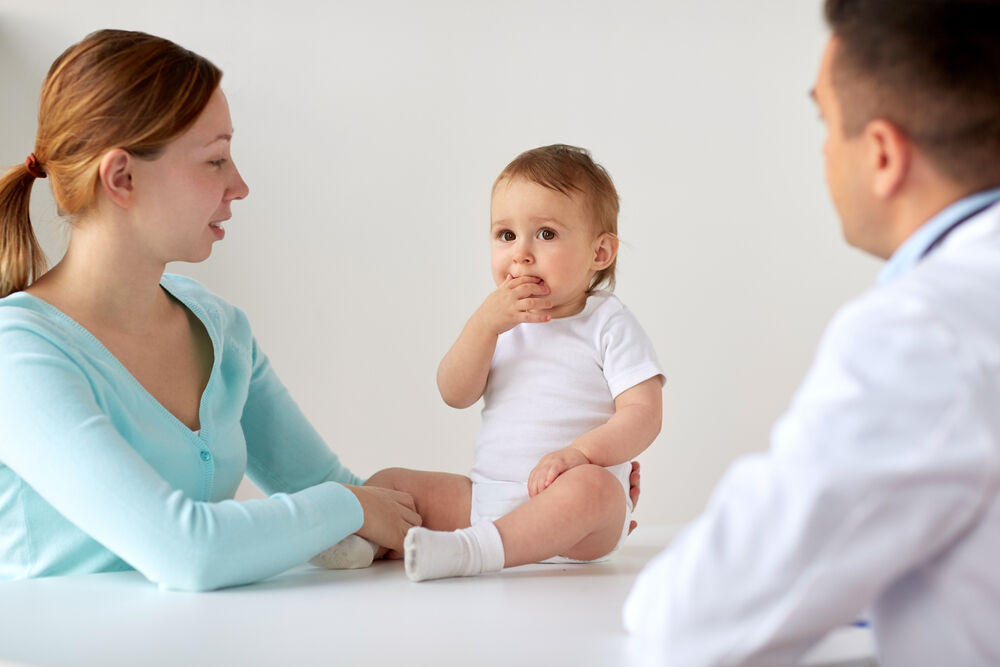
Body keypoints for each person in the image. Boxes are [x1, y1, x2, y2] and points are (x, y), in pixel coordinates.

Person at [623, 0, 1000, 664]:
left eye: (827, 122)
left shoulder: (922, 330)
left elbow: (695, 619)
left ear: (882, 154)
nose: (825, 150)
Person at [0, 29, 422, 592]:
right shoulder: (18, 356)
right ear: (122, 178)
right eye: (215, 160)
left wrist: (538, 499)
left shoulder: (219, 327)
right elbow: (187, 552)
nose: (240, 185)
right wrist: (351, 505)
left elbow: (330, 491)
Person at [344, 144, 664, 582]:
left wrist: (581, 454)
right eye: (506, 235)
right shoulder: (497, 322)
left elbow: (644, 415)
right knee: (390, 483)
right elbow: (453, 393)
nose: (521, 253)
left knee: (596, 490)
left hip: (575, 515)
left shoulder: (607, 321)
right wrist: (484, 326)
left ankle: (474, 551)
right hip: (486, 499)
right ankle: (365, 544)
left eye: (546, 234)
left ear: (600, 253)